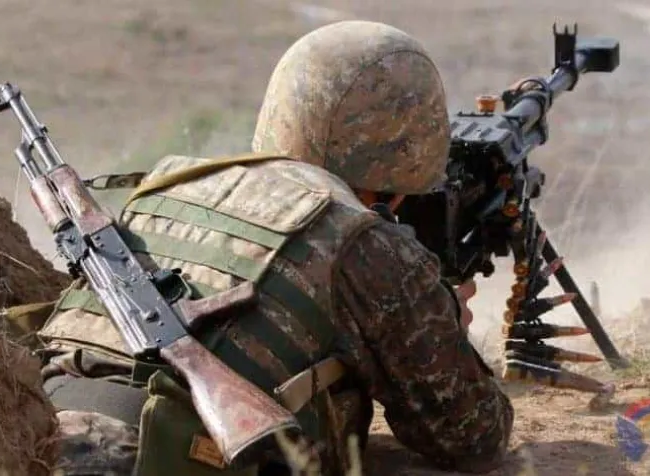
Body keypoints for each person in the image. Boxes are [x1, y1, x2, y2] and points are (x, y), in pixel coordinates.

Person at [31, 19, 514, 476]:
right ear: (410, 148)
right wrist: (446, 324)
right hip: (172, 458)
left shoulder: (166, 185)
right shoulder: (364, 244)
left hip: (37, 437)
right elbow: (473, 439)